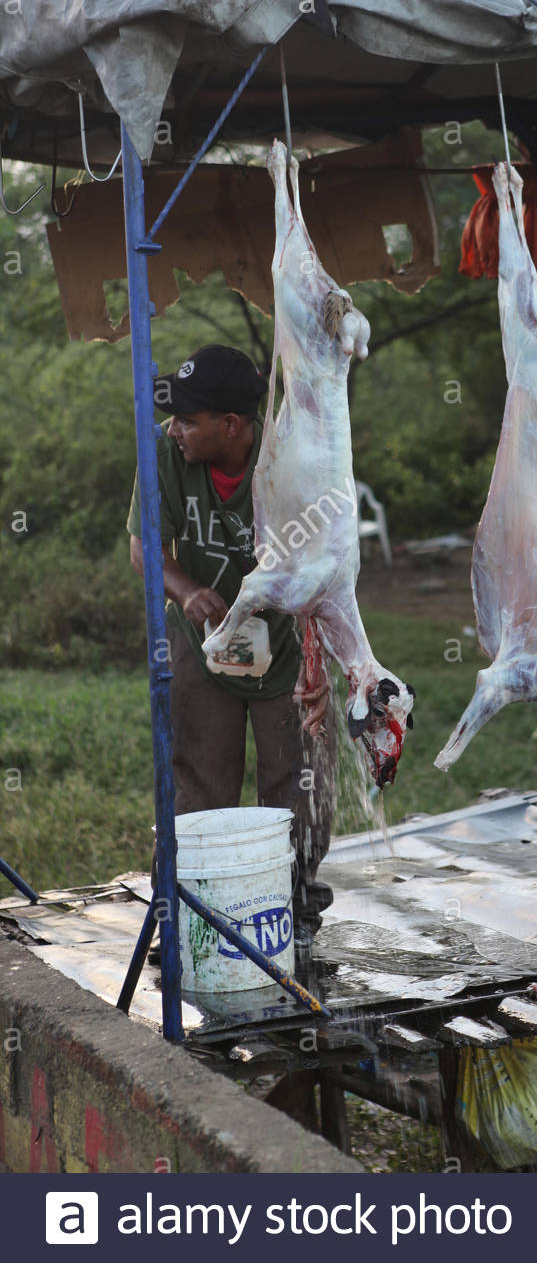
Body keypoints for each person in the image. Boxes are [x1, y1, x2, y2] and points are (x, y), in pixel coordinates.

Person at [127, 344, 335, 952]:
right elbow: (145, 547)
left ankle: (295, 911)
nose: (175, 428)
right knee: (199, 783)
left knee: (295, 785)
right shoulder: (165, 453)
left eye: (189, 419)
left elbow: (327, 561)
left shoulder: (292, 463)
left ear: (232, 427)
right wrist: (186, 590)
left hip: (292, 643)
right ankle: (199, 906)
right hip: (201, 640)